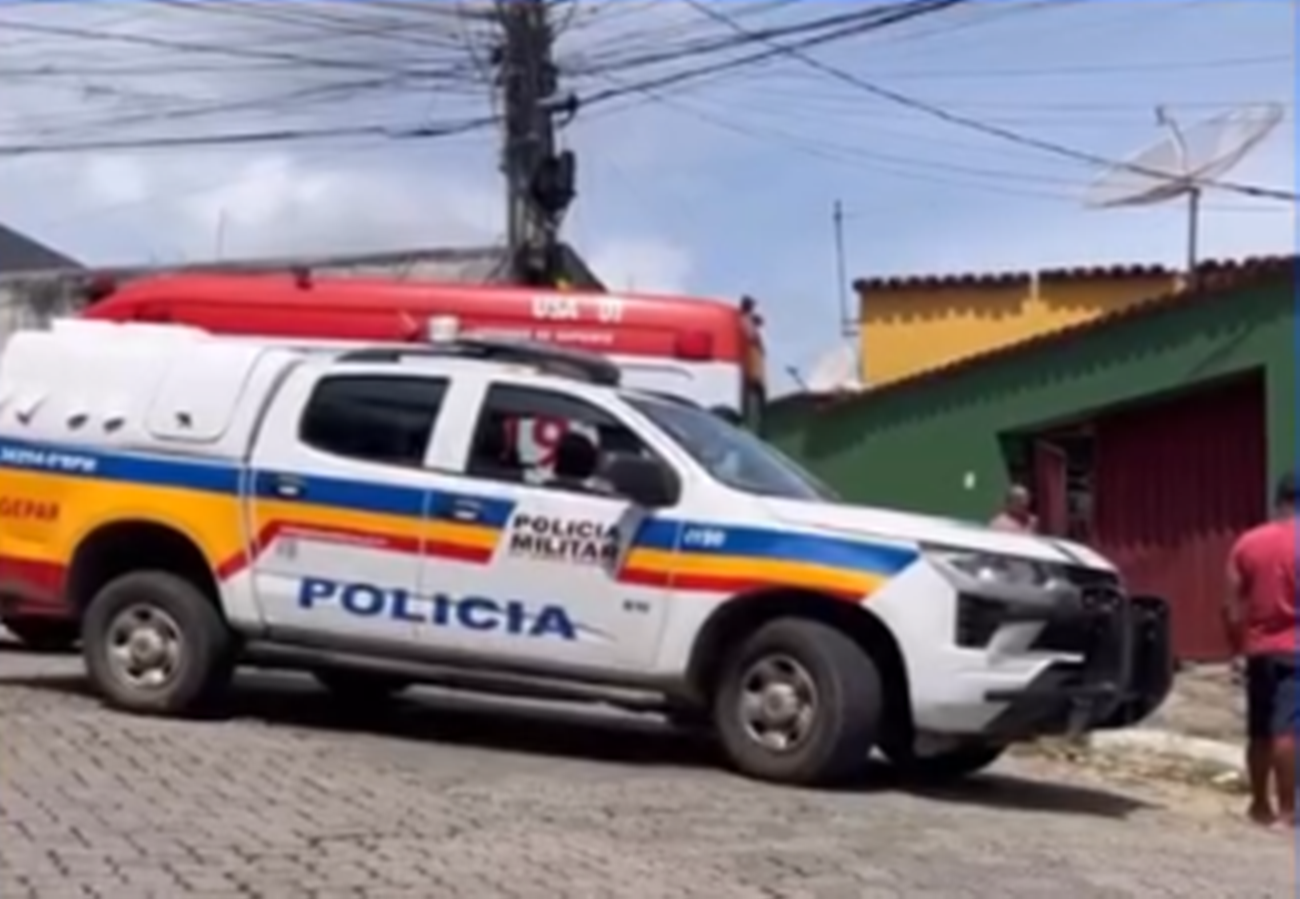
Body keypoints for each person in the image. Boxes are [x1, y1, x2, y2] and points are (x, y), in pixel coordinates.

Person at [1224, 470, 1298, 828]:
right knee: (1288, 729)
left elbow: (1231, 606)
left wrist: (1236, 649)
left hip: (1258, 649)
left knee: (1260, 730)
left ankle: (1258, 804)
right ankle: (1287, 811)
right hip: (1296, 650)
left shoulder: (1248, 542)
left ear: (1279, 500)